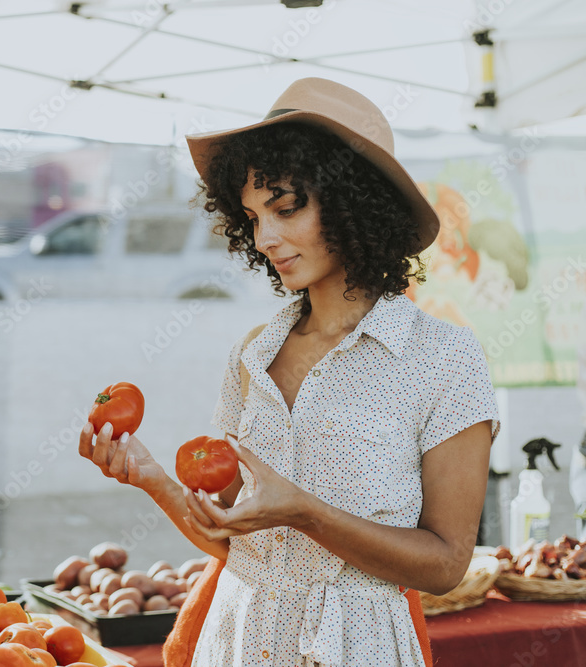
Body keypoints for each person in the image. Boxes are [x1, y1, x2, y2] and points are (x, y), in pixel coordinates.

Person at [79, 78, 501, 666]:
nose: (265, 237)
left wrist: (306, 511)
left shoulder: (442, 358)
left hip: (360, 649)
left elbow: (447, 565)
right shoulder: (253, 353)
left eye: (285, 208)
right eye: (252, 217)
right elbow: (231, 541)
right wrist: (151, 477)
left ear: (354, 201)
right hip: (238, 640)